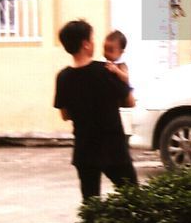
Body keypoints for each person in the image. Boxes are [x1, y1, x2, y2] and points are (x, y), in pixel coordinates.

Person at [53, 18, 138, 199]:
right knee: (133, 198)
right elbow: (130, 101)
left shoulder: (63, 78)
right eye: (91, 40)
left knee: (91, 204)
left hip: (85, 150)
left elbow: (65, 115)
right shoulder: (107, 70)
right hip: (113, 148)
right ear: (85, 44)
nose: (93, 44)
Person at [103, 28, 136, 107]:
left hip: (125, 94)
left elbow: (126, 78)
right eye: (105, 49)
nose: (106, 53)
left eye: (110, 50)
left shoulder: (121, 64)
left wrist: (116, 70)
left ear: (121, 52)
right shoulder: (106, 63)